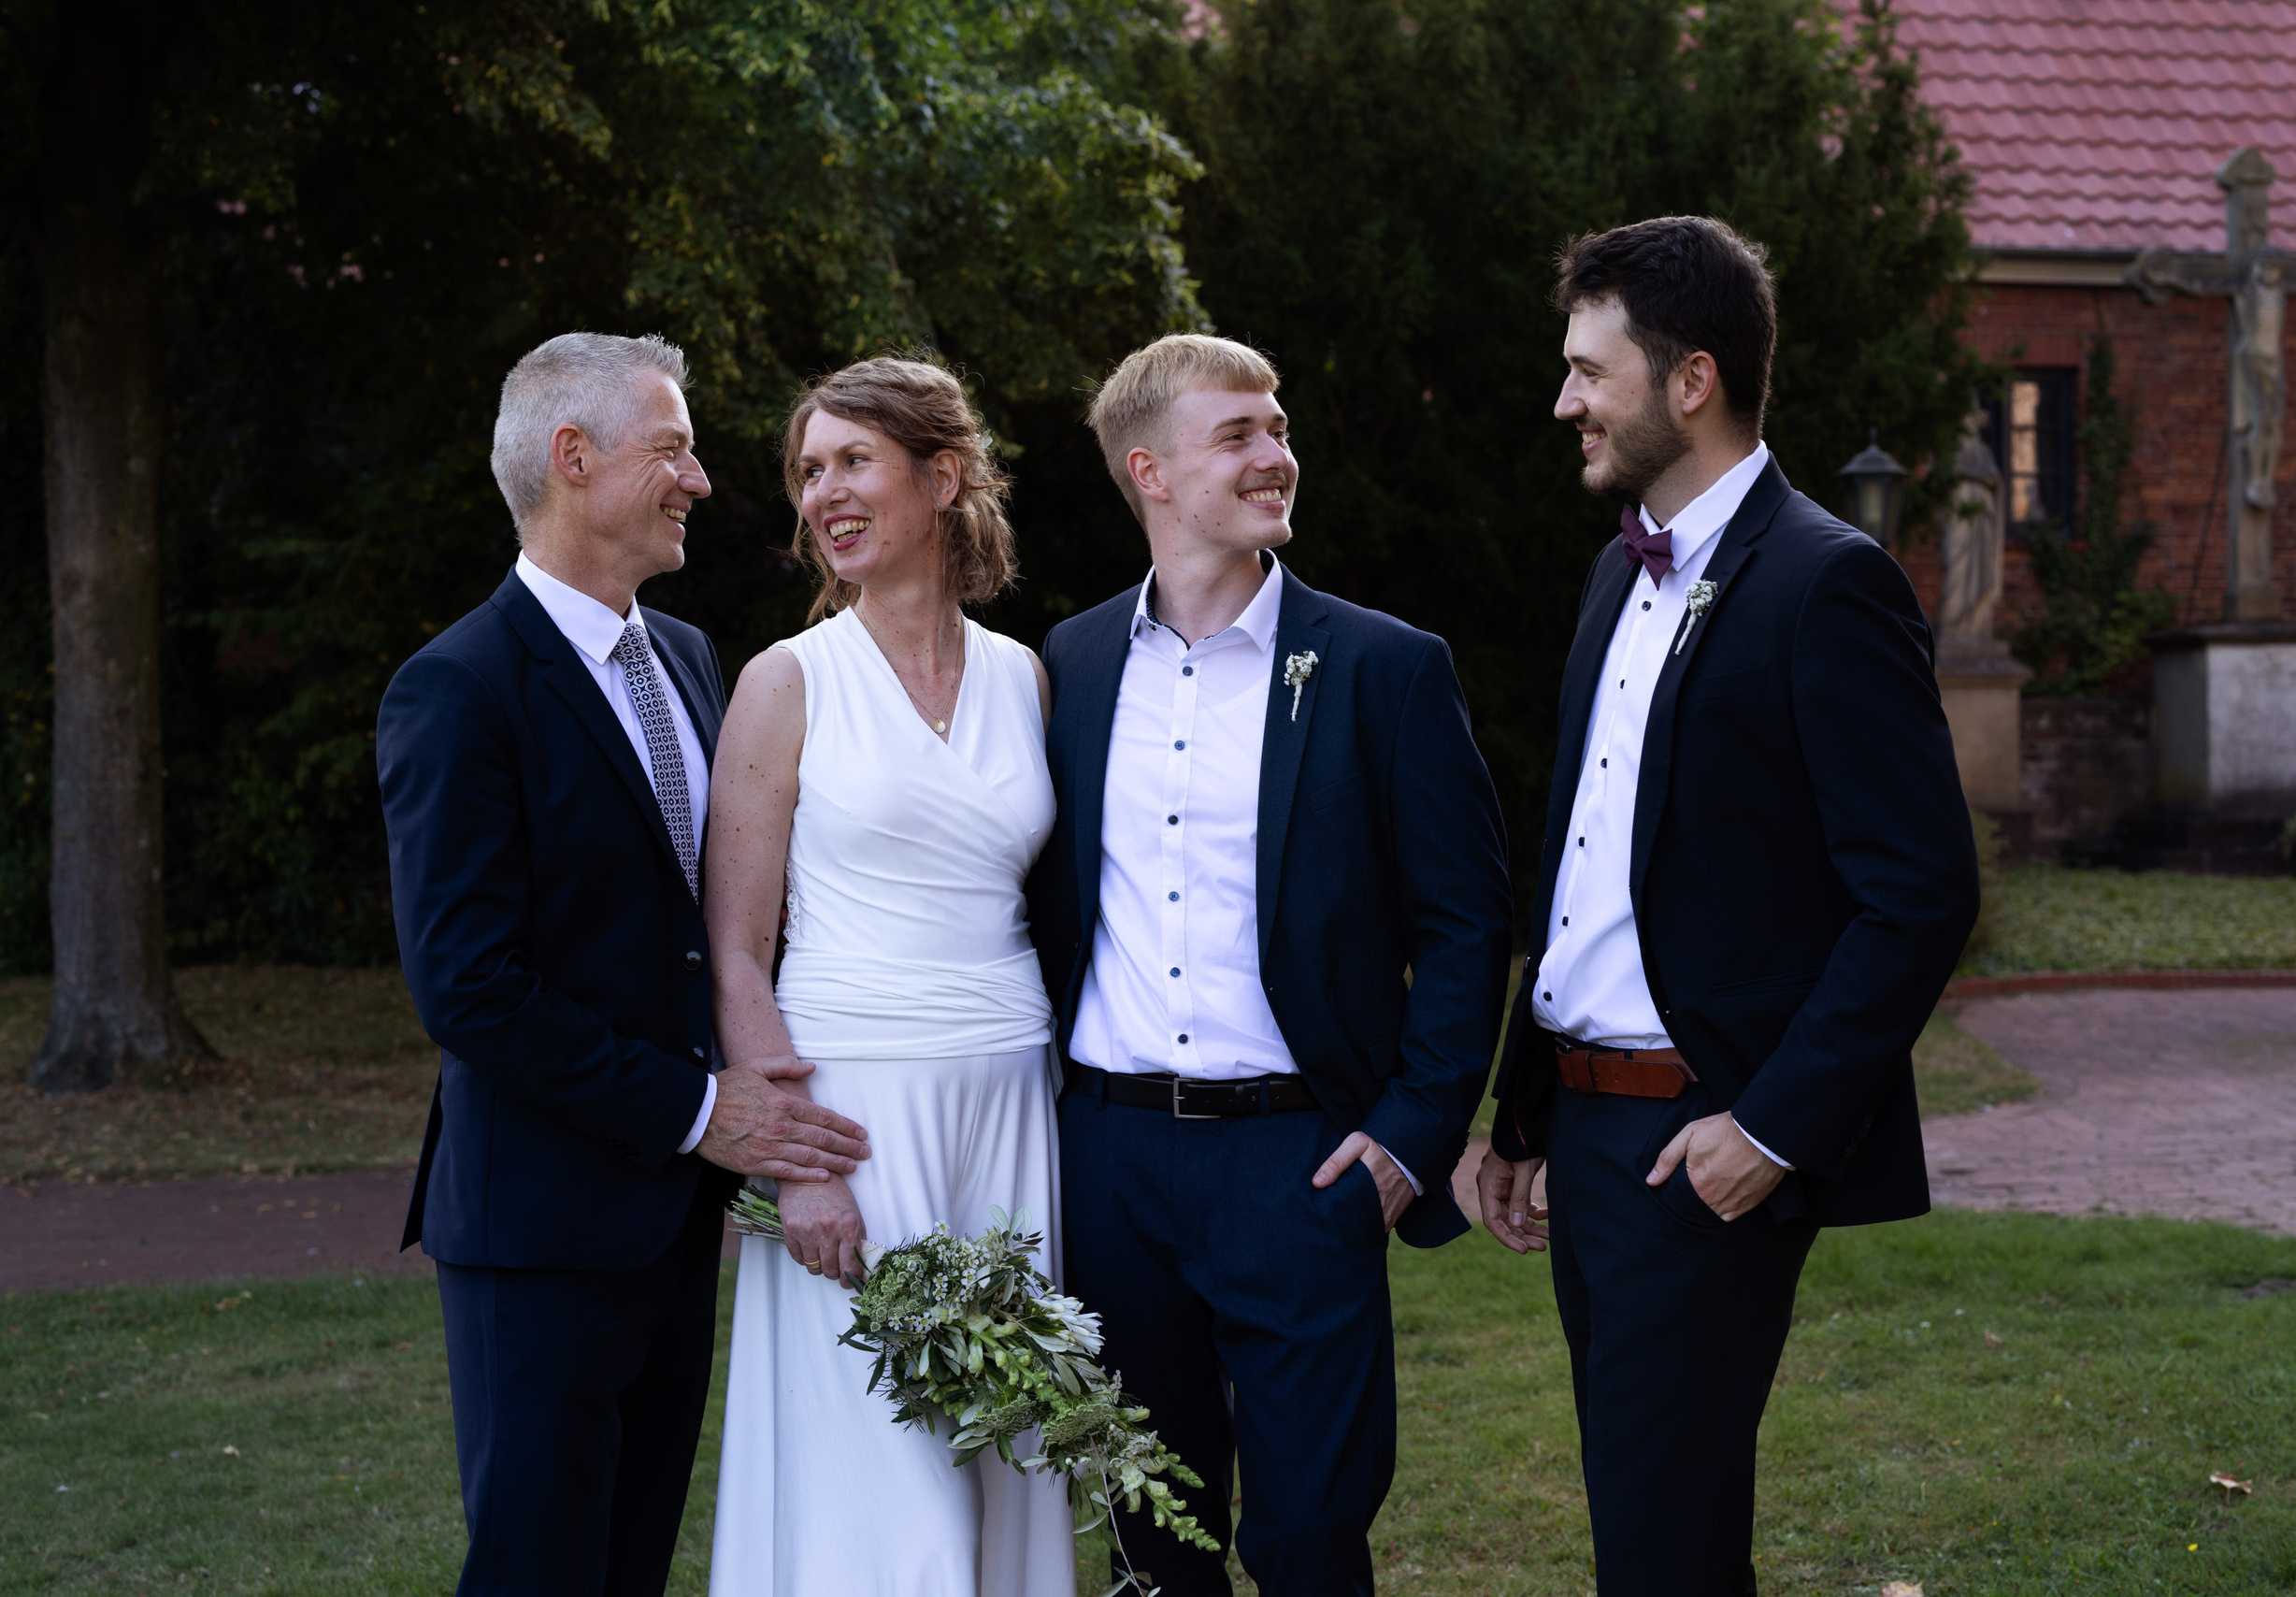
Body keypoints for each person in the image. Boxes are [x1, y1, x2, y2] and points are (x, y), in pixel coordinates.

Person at [1478, 217, 1979, 1596]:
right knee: (1650, 1525)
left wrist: (1772, 1129)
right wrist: (1524, 1109)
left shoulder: (1828, 582)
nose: (1565, 399)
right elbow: (1586, 865)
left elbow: (1921, 894)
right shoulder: (1614, 572)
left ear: (1690, 379)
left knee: (1664, 1547)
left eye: (1592, 371)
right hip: (1587, 1133)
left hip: (1699, 1149)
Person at [378, 331, 870, 1597]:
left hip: (668, 1229)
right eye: (674, 448)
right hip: (539, 1227)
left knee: (633, 1562)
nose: (701, 479)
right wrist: (702, 1112)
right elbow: (469, 985)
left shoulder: (692, 660)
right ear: (573, 457)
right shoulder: (459, 688)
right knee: (541, 1568)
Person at [1027, 333, 1514, 1594]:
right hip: (1110, 1164)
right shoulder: (1066, 667)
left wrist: (1412, 1135)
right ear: (1149, 470)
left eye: (1279, 429)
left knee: (1308, 1538)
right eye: (1238, 434)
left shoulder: (1383, 668)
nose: (1276, 456)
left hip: (1302, 1164)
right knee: (1151, 1540)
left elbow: (1467, 923)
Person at [703, 356, 1076, 1594]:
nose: (824, 493)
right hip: (855, 1117)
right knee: (884, 1479)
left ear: (944, 475)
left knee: (1000, 1455)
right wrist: (791, 1166)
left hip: (1010, 1107)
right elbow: (736, 951)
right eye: (810, 472)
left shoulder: (1027, 678)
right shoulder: (787, 682)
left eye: (852, 461)